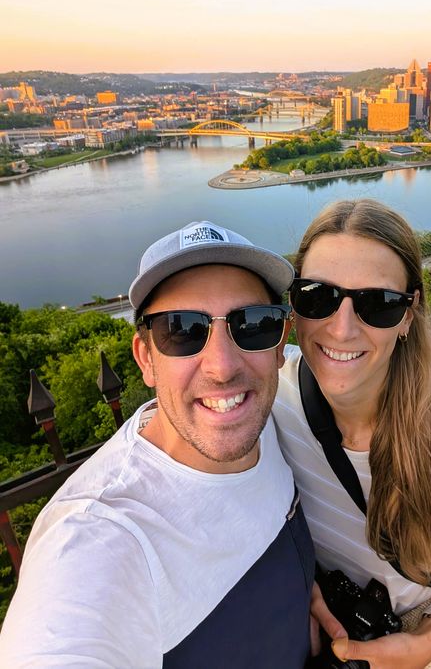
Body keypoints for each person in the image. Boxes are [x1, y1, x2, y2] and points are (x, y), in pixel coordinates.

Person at [0, 220, 321, 668]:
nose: (223, 367)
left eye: (253, 325)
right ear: (145, 358)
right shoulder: (96, 539)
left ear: (278, 342)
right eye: (182, 330)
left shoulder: (263, 422)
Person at [273, 199, 431, 669]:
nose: (343, 328)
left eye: (378, 304)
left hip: (409, 623)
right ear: (293, 304)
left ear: (409, 315)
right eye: (317, 295)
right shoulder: (268, 398)